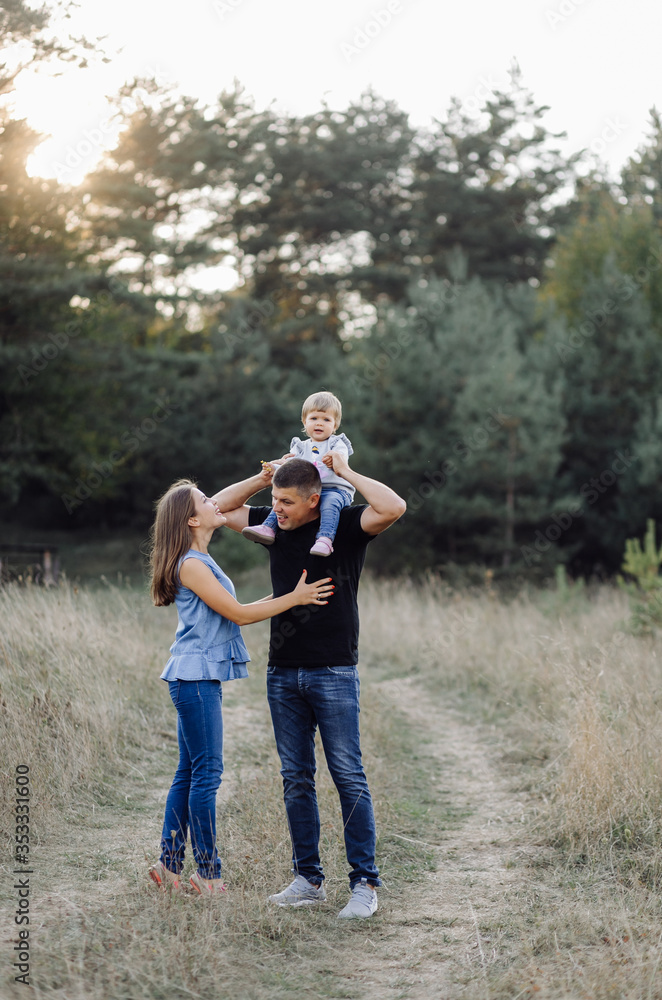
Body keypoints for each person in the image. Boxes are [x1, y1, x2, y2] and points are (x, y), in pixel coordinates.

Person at [217, 453, 406, 918]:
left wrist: (344, 472)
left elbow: (395, 506)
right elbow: (214, 508)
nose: (277, 509)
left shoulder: (342, 524)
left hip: (334, 669)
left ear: (314, 500)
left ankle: (365, 884)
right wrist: (261, 480)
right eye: (274, 500)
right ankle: (308, 880)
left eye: (285, 501)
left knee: (347, 774)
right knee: (296, 777)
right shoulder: (273, 525)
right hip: (282, 671)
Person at [147, 477, 334, 895]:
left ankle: (169, 866)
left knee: (189, 772)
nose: (214, 502)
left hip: (192, 676)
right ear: (192, 519)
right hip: (194, 680)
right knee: (206, 775)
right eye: (203, 501)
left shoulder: (197, 558)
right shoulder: (192, 564)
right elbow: (240, 614)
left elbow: (239, 609)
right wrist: (295, 598)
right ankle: (208, 874)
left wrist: (266, 478)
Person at [241, 390, 354, 556]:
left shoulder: (337, 443)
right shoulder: (300, 446)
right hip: (306, 490)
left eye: (326, 419)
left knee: (330, 505)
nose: (319, 423)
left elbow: (341, 461)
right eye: (314, 418)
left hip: (334, 489)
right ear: (304, 422)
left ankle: (325, 539)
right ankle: (268, 527)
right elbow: (290, 470)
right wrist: (275, 468)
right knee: (283, 501)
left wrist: (335, 460)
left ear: (335, 425)